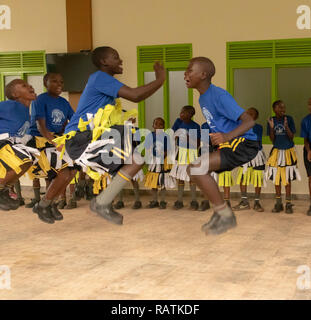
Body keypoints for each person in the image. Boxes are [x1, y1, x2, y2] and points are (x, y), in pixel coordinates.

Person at [55, 46, 166, 225]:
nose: (120, 60)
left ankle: (102, 202)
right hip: (80, 139)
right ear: (104, 62)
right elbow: (136, 95)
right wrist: (160, 80)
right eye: (116, 57)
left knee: (137, 160)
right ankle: (42, 202)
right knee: (123, 133)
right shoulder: (100, 78)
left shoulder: (106, 88)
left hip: (89, 139)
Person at [184, 57, 259, 235]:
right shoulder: (203, 99)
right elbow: (220, 125)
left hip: (244, 143)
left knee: (196, 168)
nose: (185, 73)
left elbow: (249, 122)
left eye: (189, 70)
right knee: (195, 170)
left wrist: (226, 137)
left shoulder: (219, 95)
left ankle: (224, 214)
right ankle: (221, 212)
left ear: (203, 75)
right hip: (231, 144)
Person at [26, 73, 74, 212]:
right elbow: (41, 126)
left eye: (61, 81)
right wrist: (55, 143)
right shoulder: (39, 100)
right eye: (54, 81)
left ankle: (49, 203)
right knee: (52, 174)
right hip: (41, 139)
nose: (59, 84)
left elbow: (74, 120)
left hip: (56, 139)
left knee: (68, 172)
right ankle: (48, 206)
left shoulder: (64, 102)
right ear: (45, 83)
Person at [0, 79, 39, 210]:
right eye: (24, 86)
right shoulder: (10, 105)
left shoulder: (25, 112)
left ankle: (3, 190)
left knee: (28, 161)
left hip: (12, 144)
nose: (30, 86)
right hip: (3, 143)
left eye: (29, 84)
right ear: (15, 94)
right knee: (24, 159)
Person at [266, 100, 300, 214]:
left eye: (284, 108)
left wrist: (286, 126)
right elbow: (272, 139)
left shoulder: (288, 119)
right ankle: (278, 203)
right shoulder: (271, 120)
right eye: (280, 108)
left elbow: (291, 137)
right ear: (274, 109)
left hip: (288, 152)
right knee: (277, 178)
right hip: (276, 152)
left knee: (288, 178)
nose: (283, 110)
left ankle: (288, 203)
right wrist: (271, 127)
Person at [233, 107, 266, 212]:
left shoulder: (258, 127)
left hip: (257, 155)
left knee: (257, 178)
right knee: (243, 177)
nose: (248, 115)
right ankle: (244, 202)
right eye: (247, 113)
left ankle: (257, 202)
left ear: (255, 117)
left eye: (251, 114)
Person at [170, 105, 201, 210]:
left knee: (192, 177)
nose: (181, 114)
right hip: (181, 152)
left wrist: (187, 137)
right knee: (180, 177)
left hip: (191, 153)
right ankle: (179, 201)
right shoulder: (178, 122)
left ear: (190, 115)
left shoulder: (195, 126)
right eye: (181, 112)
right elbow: (171, 134)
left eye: (184, 113)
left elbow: (197, 144)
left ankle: (194, 201)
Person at [144, 117, 175, 209]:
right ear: (153, 125)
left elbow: (168, 150)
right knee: (154, 181)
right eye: (156, 124)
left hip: (162, 161)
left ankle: (162, 201)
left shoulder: (166, 136)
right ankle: (154, 200)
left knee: (162, 182)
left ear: (164, 126)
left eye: (161, 124)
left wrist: (162, 156)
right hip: (153, 161)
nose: (158, 126)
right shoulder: (150, 135)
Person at [301, 98, 311, 216]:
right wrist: (309, 151)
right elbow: (305, 139)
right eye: (309, 104)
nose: (310, 106)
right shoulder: (306, 120)